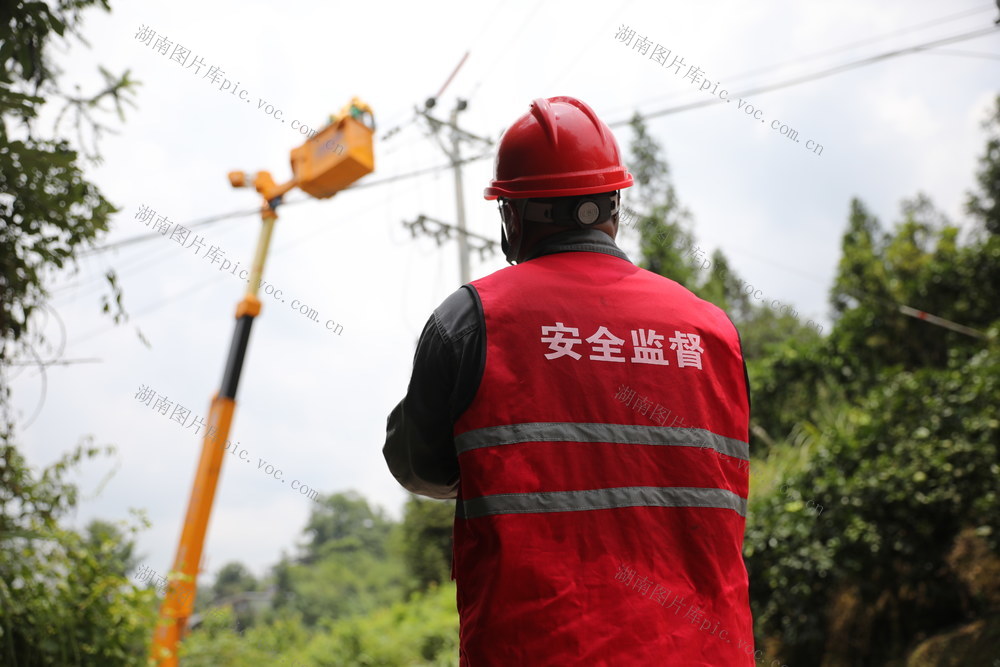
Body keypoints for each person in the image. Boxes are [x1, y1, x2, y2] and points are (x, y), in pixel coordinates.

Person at [383, 96, 753, 666]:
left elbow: (420, 466)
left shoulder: (471, 321)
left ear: (511, 215)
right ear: (614, 205)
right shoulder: (711, 333)